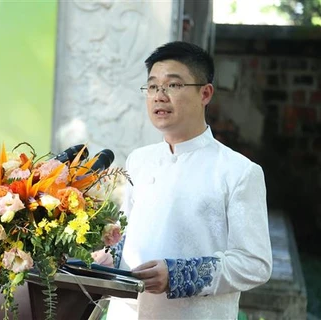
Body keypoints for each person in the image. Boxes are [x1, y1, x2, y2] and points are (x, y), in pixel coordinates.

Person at [105, 41, 273, 319]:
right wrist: (105, 257)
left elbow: (254, 264)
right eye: (152, 86)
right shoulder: (139, 160)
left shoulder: (239, 172)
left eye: (173, 85)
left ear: (205, 93)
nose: (159, 96)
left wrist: (177, 275)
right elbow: (127, 234)